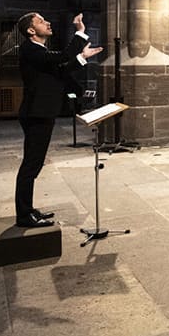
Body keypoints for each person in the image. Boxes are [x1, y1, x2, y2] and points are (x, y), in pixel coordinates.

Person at [15, 12, 102, 228]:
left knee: (34, 165)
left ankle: (28, 210)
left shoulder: (40, 52)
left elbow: (60, 70)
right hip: (36, 114)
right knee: (31, 166)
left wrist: (82, 57)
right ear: (31, 30)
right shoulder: (30, 49)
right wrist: (80, 33)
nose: (48, 23)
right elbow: (63, 57)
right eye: (41, 21)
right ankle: (24, 215)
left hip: (41, 113)